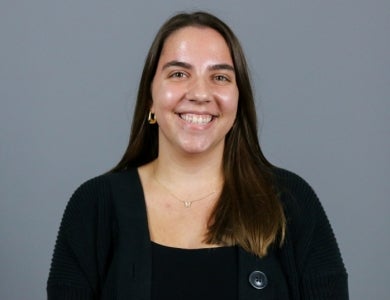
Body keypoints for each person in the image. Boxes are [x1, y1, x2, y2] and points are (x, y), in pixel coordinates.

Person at [47, 11, 348, 299]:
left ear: (238, 100)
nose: (200, 94)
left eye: (220, 77)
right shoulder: (93, 207)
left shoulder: (290, 201)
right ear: (151, 98)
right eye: (179, 73)